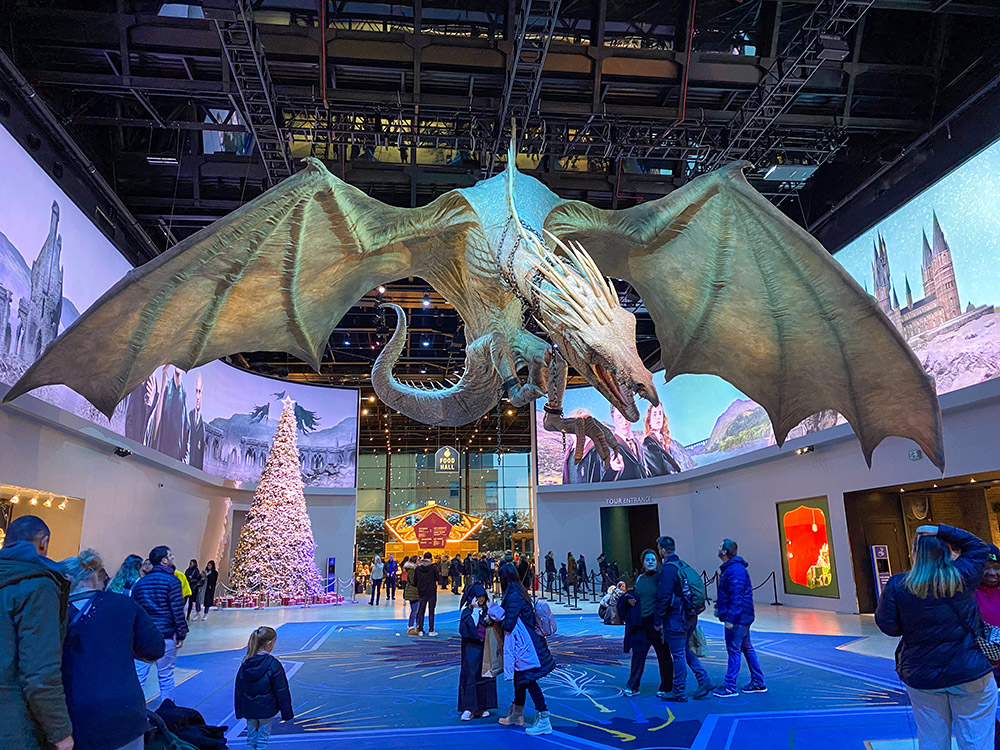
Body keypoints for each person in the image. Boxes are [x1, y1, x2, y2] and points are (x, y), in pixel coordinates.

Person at [877, 524, 997, 749]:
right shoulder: (963, 575)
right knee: (976, 740)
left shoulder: (898, 585)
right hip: (969, 671)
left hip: (922, 675)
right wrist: (940, 530)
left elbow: (888, 626)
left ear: (914, 553)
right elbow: (979, 547)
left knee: (932, 740)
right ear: (948, 551)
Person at [61, 549, 164, 750]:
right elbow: (154, 648)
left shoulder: (55, 611)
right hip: (125, 712)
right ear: (95, 577)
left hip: (74, 715)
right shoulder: (125, 605)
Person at [0, 515, 73, 750]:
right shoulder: (37, 585)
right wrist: (60, 732)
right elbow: (40, 672)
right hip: (14, 725)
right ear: (44, 543)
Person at [495, 564, 556, 735]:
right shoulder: (519, 591)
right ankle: (517, 714)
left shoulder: (513, 596)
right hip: (528, 644)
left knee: (528, 679)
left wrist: (495, 616)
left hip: (526, 647)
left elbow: (508, 624)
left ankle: (544, 717)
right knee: (520, 679)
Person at [655, 536, 712, 701]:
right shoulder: (683, 565)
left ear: (662, 550)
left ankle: (679, 691)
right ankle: (704, 680)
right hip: (689, 616)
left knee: (678, 654)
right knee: (685, 650)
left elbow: (664, 596)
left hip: (676, 618)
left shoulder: (668, 569)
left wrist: (658, 620)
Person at [132, 545, 188, 702]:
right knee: (166, 675)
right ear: (163, 560)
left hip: (144, 636)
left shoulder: (140, 583)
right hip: (166, 634)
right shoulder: (172, 581)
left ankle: (137, 709)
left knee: (139, 675)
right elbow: (177, 610)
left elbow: (136, 611)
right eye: (170, 555)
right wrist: (181, 633)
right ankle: (167, 708)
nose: (172, 557)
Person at [713, 539, 766, 698]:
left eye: (720, 546)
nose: (718, 548)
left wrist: (730, 618)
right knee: (746, 648)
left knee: (734, 650)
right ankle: (758, 681)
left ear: (724, 551)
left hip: (738, 618)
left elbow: (736, 596)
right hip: (742, 616)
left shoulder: (734, 570)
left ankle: (730, 686)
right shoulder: (733, 568)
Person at [619, 550, 673, 697]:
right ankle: (633, 686)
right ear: (643, 562)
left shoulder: (661, 577)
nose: (650, 562)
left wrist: (661, 620)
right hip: (640, 623)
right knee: (638, 655)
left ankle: (666, 686)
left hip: (655, 622)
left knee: (663, 655)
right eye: (647, 559)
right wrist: (630, 600)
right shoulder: (640, 579)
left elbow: (665, 598)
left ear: (657, 562)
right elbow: (637, 594)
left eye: (653, 559)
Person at [234, 626, 294, 750]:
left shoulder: (245, 663)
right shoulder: (273, 664)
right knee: (263, 739)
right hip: (266, 709)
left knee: (250, 739)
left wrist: (240, 710)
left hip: (249, 709)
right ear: (269, 644)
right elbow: (281, 690)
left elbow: (239, 689)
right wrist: (286, 712)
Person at [458, 582, 499, 721]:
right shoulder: (467, 612)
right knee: (470, 675)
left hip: (485, 648)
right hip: (471, 649)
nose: (481, 599)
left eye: (483, 597)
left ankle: (483, 706)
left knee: (486, 675)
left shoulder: (488, 611)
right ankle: (469, 708)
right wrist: (475, 611)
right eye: (478, 597)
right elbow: (466, 630)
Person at [149, 365, 190, 462]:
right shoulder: (167, 388)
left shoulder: (183, 394)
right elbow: (157, 420)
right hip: (162, 450)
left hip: (175, 457)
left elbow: (186, 429)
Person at [640, 404, 684, 477]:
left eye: (660, 413)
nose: (658, 417)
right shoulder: (648, 444)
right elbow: (660, 471)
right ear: (649, 420)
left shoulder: (664, 441)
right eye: (654, 414)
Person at [414, 552, 441, 636]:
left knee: (421, 610)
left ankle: (420, 630)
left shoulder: (418, 568)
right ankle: (431, 630)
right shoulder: (433, 568)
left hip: (422, 591)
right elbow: (438, 578)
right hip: (431, 591)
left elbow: (415, 580)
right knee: (431, 610)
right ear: (431, 558)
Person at [188, 373, 206, 470]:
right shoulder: (188, 416)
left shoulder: (202, 424)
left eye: (199, 391)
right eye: (196, 391)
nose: (198, 396)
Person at [403, 556, 420, 635]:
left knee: (417, 610)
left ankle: (418, 626)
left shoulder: (414, 569)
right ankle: (410, 627)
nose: (419, 561)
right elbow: (413, 581)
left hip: (414, 592)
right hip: (413, 592)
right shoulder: (412, 570)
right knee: (414, 611)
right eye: (418, 560)